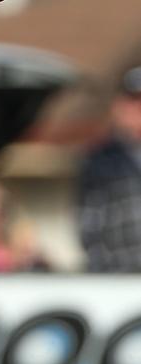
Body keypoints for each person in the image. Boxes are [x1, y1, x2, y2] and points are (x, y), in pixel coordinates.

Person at [77, 65, 141, 272]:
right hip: (120, 278)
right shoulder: (100, 160)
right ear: (119, 107)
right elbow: (89, 227)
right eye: (134, 101)